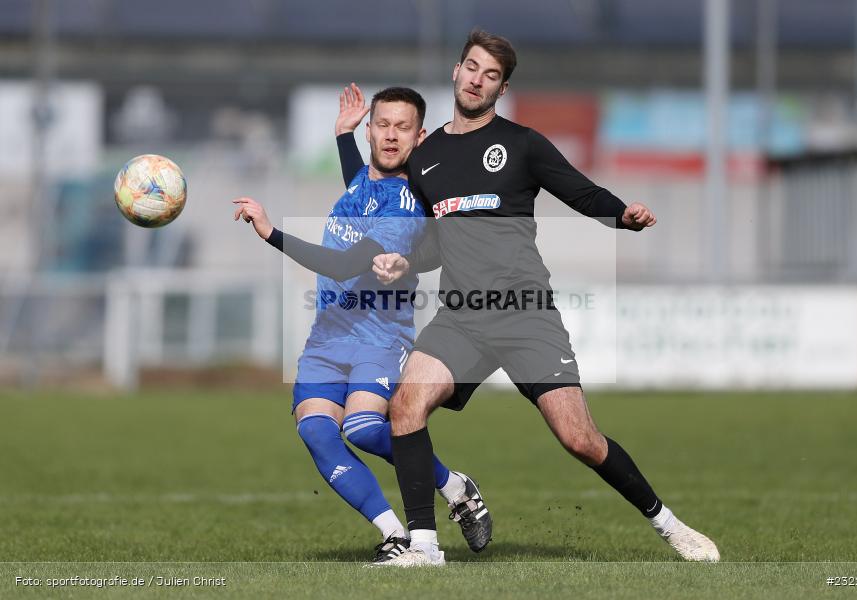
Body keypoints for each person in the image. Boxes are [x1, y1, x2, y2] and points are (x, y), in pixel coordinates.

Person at [353, 30, 719, 566]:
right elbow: (433, 237)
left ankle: (669, 525)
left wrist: (623, 215)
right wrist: (407, 259)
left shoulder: (522, 144)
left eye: (491, 75)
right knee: (406, 407)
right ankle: (425, 547)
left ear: (501, 88)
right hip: (461, 317)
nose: (477, 79)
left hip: (525, 316)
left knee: (580, 440)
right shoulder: (425, 157)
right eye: (472, 68)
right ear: (456, 72)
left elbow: (580, 190)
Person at [233, 84, 491, 563]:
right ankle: (393, 533)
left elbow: (344, 263)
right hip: (328, 334)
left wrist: (270, 232)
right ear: (370, 129)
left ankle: (454, 486)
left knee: (366, 428)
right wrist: (341, 137)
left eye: (403, 128)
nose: (392, 136)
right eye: (383, 125)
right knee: (315, 432)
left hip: (380, 336)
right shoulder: (363, 182)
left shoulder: (407, 204)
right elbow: (360, 179)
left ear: (420, 137)